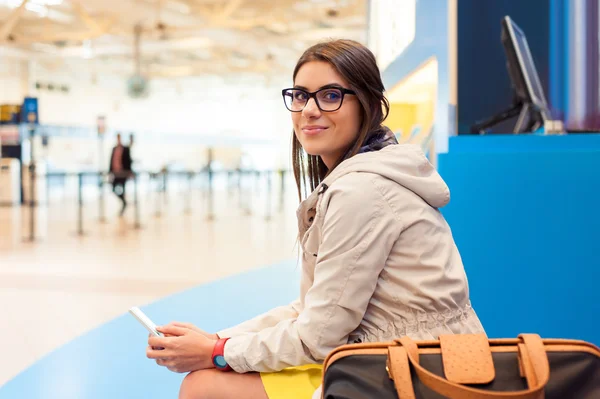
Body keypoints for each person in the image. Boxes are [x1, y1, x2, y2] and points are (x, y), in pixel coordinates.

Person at [145, 39, 485, 399]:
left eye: (331, 95)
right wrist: (218, 341)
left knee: (204, 388)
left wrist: (216, 353)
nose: (309, 109)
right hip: (400, 354)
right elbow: (314, 310)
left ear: (368, 104)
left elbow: (319, 335)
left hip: (412, 371)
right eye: (301, 95)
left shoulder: (361, 191)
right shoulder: (363, 177)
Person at [109, 133, 132, 216]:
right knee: (113, 188)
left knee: (123, 188)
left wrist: (129, 172)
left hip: (123, 173)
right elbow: (111, 161)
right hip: (115, 173)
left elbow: (129, 161)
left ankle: (124, 205)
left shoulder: (125, 149)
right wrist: (110, 172)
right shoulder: (114, 148)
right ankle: (124, 202)